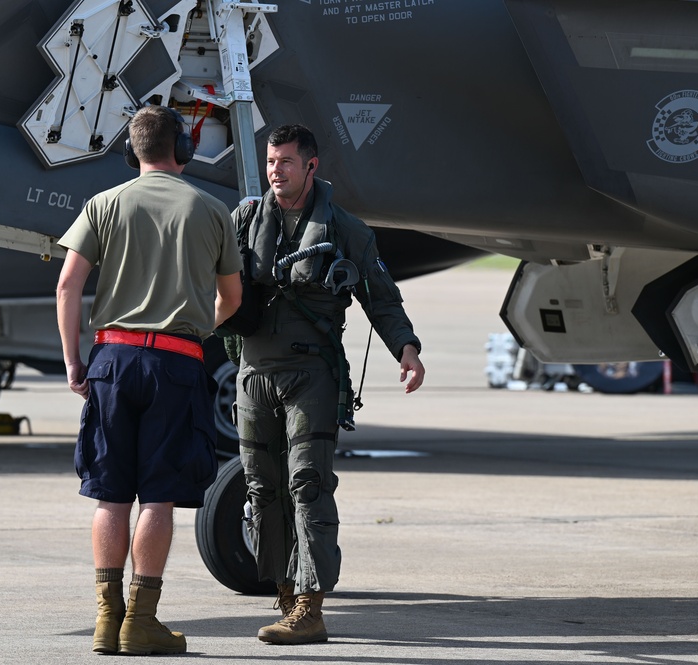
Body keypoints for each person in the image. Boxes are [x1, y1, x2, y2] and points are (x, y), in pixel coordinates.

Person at [56, 105, 243, 656]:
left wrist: (74, 361)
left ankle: (105, 621)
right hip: (176, 364)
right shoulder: (212, 210)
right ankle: (141, 621)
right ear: (182, 149)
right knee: (158, 499)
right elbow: (232, 299)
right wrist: (188, 329)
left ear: (132, 151)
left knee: (109, 497)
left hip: (112, 361)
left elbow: (69, 286)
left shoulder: (104, 204)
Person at [230, 123, 424, 645]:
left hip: (310, 372)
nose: (276, 171)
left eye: (286, 163)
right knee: (260, 488)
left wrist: (406, 348)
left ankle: (311, 608)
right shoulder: (245, 220)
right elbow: (212, 282)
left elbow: (381, 297)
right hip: (253, 375)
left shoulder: (345, 229)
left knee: (308, 486)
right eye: (271, 162)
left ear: (311, 166)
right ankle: (286, 593)